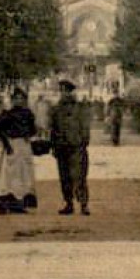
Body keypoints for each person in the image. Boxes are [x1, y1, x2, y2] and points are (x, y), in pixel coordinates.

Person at [49, 79, 93, 215]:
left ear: (71, 92)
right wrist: (53, 145)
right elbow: (53, 128)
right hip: (61, 147)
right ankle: (69, 203)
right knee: (64, 177)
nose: (64, 93)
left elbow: (85, 126)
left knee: (79, 176)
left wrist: (83, 141)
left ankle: (83, 204)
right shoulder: (56, 109)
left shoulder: (79, 107)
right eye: (61, 91)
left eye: (66, 91)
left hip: (76, 147)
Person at [0, 88, 38, 214]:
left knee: (23, 174)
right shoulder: (8, 114)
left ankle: (20, 203)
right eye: (16, 98)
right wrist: (7, 145)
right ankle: (6, 202)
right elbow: (2, 131)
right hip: (12, 145)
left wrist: (27, 133)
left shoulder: (28, 114)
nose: (19, 101)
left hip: (24, 145)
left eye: (21, 98)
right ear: (13, 100)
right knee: (9, 175)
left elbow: (33, 129)